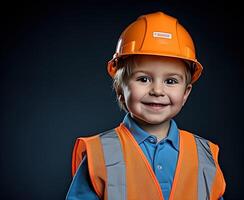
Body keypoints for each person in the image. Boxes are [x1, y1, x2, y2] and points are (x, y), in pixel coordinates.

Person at [66, 11, 226, 200]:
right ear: (120, 88)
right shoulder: (100, 152)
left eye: (171, 81)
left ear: (185, 93)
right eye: (143, 79)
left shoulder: (204, 155)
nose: (157, 90)